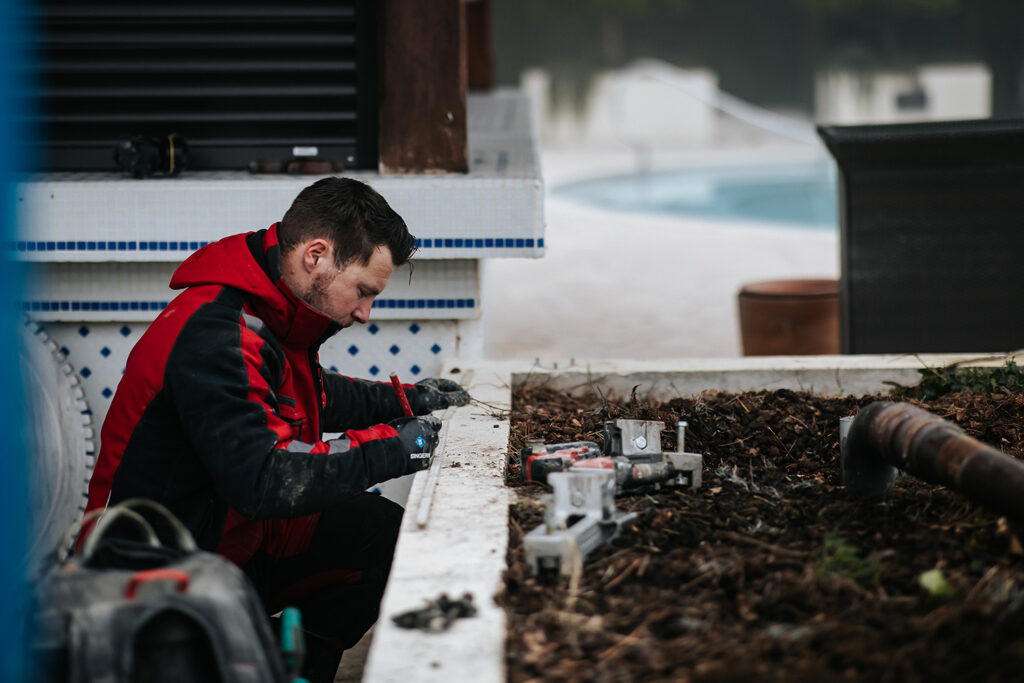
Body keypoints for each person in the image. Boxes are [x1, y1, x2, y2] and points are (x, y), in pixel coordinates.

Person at [81, 177, 470, 682]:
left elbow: (316, 394)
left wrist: (410, 399)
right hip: (153, 581)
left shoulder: (267, 308)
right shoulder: (217, 334)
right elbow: (266, 479)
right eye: (364, 291)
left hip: (227, 538)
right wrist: (397, 449)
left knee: (380, 537)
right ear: (317, 255)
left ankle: (297, 672)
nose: (364, 313)